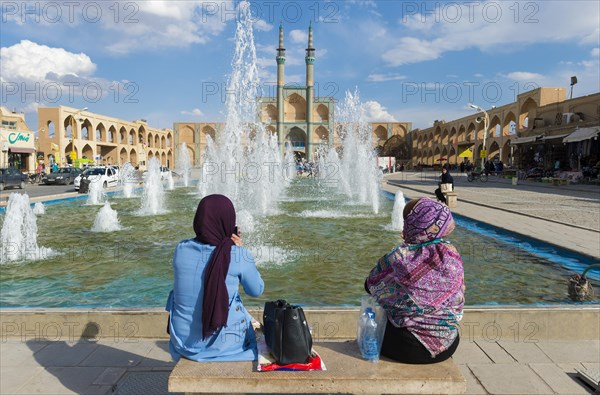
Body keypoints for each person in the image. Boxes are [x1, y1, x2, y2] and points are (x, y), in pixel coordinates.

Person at [365, 197, 464, 364]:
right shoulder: (451, 254)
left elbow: (370, 285)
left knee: (375, 320)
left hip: (406, 346)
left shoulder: (399, 257)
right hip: (448, 344)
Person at [165, 194, 264, 362]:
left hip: (181, 342)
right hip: (226, 347)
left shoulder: (181, 250)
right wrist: (239, 250)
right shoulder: (239, 255)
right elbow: (256, 290)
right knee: (264, 336)